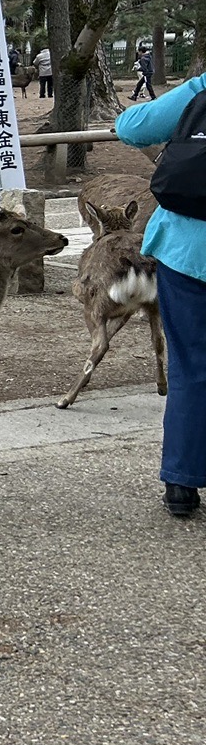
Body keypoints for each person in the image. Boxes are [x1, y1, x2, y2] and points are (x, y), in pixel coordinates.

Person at [116, 69, 206, 517]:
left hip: (189, 252)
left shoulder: (204, 88)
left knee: (191, 366)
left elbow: (131, 127)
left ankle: (182, 483)